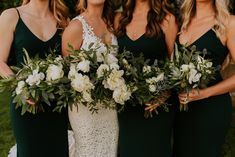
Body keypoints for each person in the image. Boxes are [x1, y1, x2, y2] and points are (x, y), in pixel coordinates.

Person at [0, 0, 69, 156]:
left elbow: (67, 62)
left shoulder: (62, 20)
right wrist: (22, 88)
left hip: (55, 105)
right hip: (26, 104)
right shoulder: (11, 15)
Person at [114, 0, 178, 156]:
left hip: (156, 106)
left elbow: (175, 64)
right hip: (127, 106)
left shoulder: (167, 19)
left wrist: (162, 92)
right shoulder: (119, 18)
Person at [174, 0, 235, 156]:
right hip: (182, 109)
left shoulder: (228, 23)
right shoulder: (182, 21)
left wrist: (204, 93)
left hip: (211, 109)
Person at [62, 0, 118, 156]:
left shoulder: (113, 23)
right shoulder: (76, 27)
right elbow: (66, 74)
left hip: (111, 105)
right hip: (85, 106)